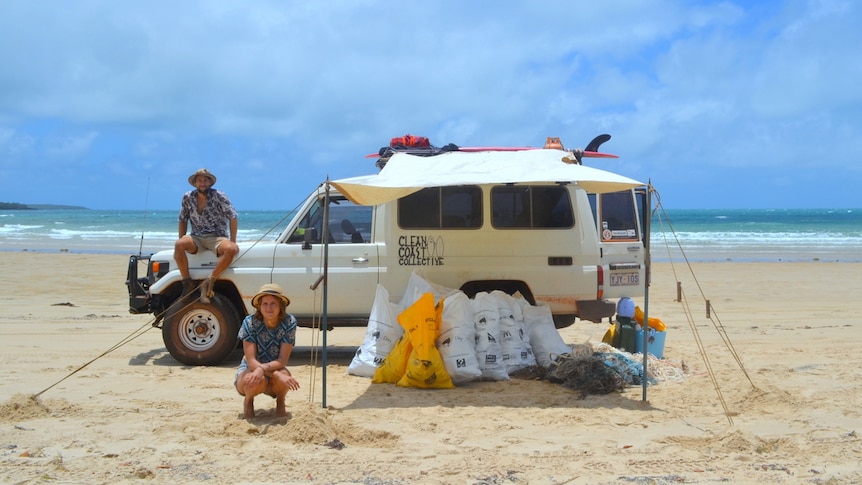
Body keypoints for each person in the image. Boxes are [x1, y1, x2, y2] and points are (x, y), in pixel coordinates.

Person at [234, 283, 301, 419]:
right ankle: (248, 401)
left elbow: (282, 360)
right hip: (251, 368)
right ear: (259, 305)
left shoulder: (289, 322)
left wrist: (266, 371)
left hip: (276, 365)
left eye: (273, 304)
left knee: (284, 377)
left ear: (280, 305)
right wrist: (273, 374)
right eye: (265, 304)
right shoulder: (250, 322)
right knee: (253, 379)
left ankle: (280, 402)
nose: (269, 308)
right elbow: (251, 360)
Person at [174, 168, 239, 304]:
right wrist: (181, 237)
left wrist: (233, 241)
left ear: (209, 182)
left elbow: (233, 216)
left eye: (205, 180)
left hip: (216, 236)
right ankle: (187, 282)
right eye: (199, 180)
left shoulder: (219, 196)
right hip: (196, 237)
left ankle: (210, 279)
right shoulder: (188, 197)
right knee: (179, 245)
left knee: (231, 249)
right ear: (195, 183)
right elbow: (182, 219)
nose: (202, 183)